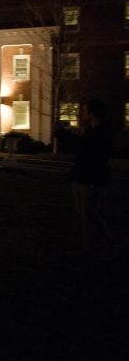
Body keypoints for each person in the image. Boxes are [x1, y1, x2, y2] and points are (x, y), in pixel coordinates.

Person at [53, 99, 113, 256]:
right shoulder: (90, 130)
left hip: (92, 177)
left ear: (92, 113)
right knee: (82, 214)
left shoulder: (101, 132)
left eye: (85, 111)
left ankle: (103, 242)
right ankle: (89, 244)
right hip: (81, 175)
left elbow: (84, 148)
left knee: (89, 213)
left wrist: (61, 133)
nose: (83, 114)